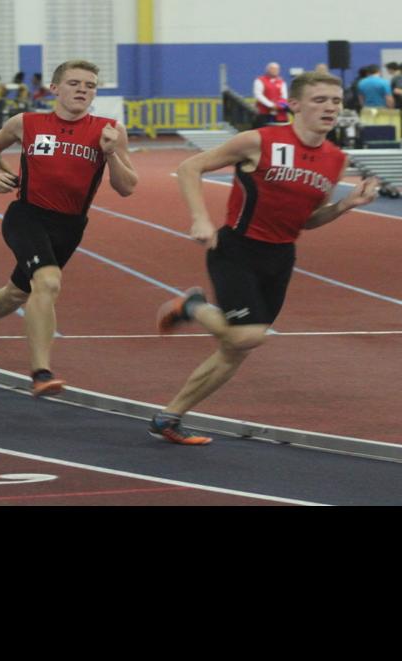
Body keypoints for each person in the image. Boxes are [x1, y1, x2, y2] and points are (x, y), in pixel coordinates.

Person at [149, 71, 379, 444]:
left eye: (336, 101)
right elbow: (191, 167)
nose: (331, 107)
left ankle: (169, 417)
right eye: (320, 100)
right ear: (296, 104)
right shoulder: (260, 140)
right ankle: (193, 306)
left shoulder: (336, 160)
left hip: (281, 257)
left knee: (236, 349)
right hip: (237, 248)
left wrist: (347, 205)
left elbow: (309, 220)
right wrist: (200, 217)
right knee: (249, 336)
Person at [0, 59, 138, 397]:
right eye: (74, 83)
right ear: (54, 88)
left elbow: (126, 187)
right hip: (27, 216)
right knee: (47, 282)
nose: (82, 90)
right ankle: (40, 371)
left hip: (71, 226)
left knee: (17, 292)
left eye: (90, 85)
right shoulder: (26, 123)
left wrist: (111, 155)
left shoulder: (110, 130)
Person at [252, 62, 286, 127]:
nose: (275, 71)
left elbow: (284, 97)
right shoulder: (259, 80)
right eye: (272, 69)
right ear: (267, 70)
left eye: (277, 69)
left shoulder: (282, 82)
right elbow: (258, 95)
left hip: (280, 114)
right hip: (263, 113)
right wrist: (271, 105)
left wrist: (279, 106)